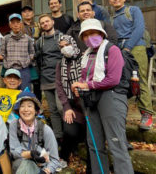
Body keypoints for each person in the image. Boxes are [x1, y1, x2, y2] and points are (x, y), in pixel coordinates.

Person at [71, 19, 133, 174]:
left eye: (92, 33)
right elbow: (85, 77)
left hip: (111, 96)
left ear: (100, 33)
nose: (89, 37)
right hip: (91, 99)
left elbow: (113, 79)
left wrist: (87, 85)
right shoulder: (87, 53)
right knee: (94, 144)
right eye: (85, 35)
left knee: (116, 143)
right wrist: (79, 85)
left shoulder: (112, 50)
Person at [109, 0, 154, 130]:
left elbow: (139, 29)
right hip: (120, 50)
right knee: (122, 81)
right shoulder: (112, 18)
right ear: (110, 2)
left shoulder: (133, 10)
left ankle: (147, 115)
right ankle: (122, 114)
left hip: (136, 46)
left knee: (138, 79)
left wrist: (127, 47)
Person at [9, 91, 60, 174]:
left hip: (41, 168)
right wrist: (30, 154)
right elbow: (14, 152)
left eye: (29, 106)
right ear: (18, 110)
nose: (26, 110)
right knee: (27, 163)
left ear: (36, 110)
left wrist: (46, 171)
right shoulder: (14, 125)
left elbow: (54, 160)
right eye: (22, 106)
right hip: (19, 166)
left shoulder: (45, 130)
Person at [55, 35, 86, 164]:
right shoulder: (60, 64)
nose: (64, 49)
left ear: (73, 44)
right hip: (72, 105)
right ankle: (63, 157)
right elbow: (59, 86)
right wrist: (66, 107)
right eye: (61, 47)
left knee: (88, 135)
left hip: (87, 104)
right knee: (69, 132)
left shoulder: (84, 58)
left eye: (67, 45)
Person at [35, 14, 64, 142]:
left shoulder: (61, 37)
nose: (45, 24)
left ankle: (69, 131)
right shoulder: (39, 42)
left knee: (61, 107)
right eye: (42, 23)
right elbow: (38, 59)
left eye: (47, 21)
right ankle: (59, 136)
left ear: (52, 22)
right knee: (52, 110)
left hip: (60, 77)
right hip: (46, 78)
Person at [0, 13, 35, 92]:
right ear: (10, 25)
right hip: (10, 70)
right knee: (10, 95)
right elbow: (2, 54)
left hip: (24, 70)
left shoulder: (28, 39)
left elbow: (32, 53)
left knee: (25, 93)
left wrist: (28, 61)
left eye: (18, 22)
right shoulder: (6, 38)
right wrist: (2, 59)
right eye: (13, 23)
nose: (16, 25)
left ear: (21, 24)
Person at [21, 5, 42, 100]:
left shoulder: (38, 25)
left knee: (37, 83)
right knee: (25, 82)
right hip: (24, 58)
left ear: (33, 13)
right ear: (22, 14)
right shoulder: (20, 26)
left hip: (37, 58)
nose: (27, 13)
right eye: (24, 12)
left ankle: (39, 107)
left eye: (29, 11)